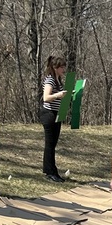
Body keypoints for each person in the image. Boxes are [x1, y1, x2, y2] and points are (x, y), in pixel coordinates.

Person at [41, 54, 69, 182]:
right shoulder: (50, 80)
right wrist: (58, 95)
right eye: (61, 67)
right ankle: (48, 172)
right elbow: (46, 97)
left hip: (57, 113)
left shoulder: (59, 80)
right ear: (55, 67)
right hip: (48, 113)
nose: (64, 69)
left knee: (53, 144)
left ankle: (54, 171)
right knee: (50, 144)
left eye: (64, 67)